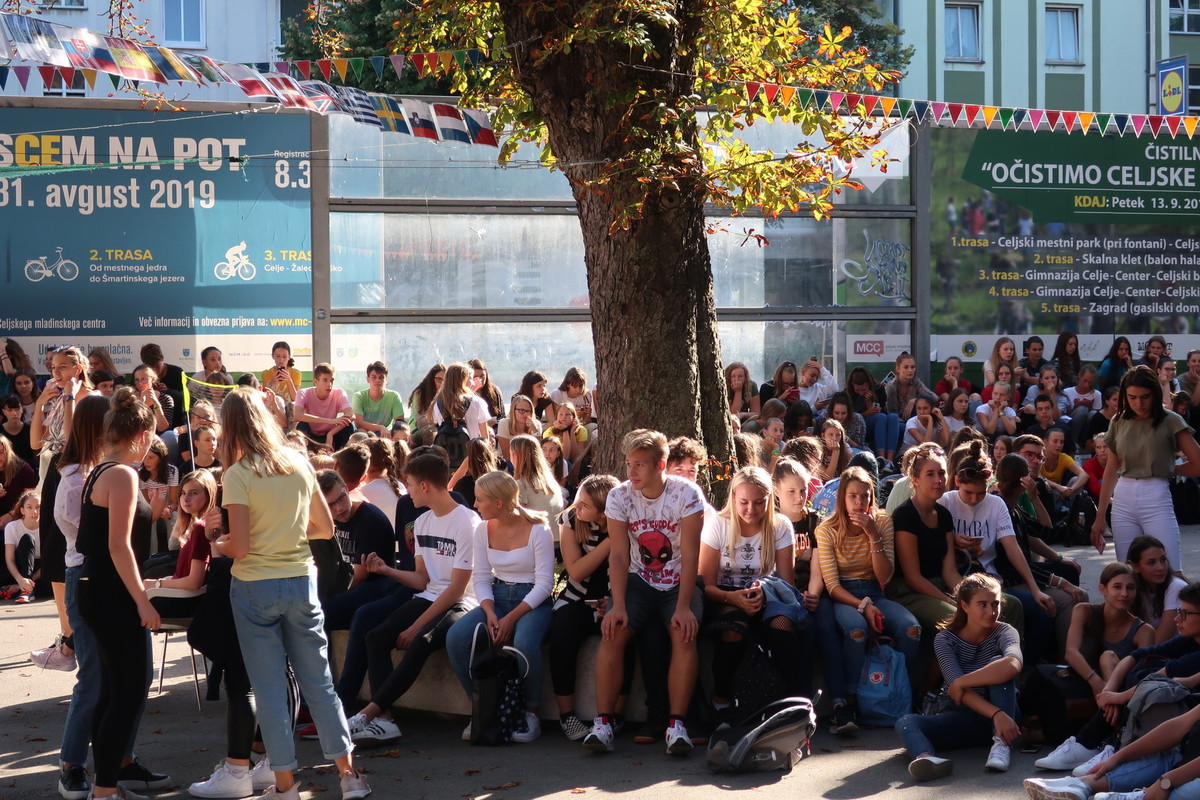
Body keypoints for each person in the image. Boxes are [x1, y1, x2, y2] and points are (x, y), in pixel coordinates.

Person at [215, 388, 369, 800]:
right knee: (319, 684)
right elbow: (324, 528)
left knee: (268, 690)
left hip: (254, 586)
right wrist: (284, 532)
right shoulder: (298, 464)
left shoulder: (238, 473)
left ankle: (285, 785)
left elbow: (241, 547)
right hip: (301, 580)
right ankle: (349, 776)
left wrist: (220, 543)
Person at [337, 450, 478, 745]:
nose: (407, 491)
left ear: (424, 486)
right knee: (376, 637)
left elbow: (456, 590)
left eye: (411, 484)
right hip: (429, 597)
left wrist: (416, 627)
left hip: (462, 604)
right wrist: (387, 570)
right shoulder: (424, 522)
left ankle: (368, 713)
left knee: (420, 641)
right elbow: (423, 580)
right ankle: (386, 721)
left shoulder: (467, 522)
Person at [582, 429, 706, 755]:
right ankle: (604, 723)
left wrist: (683, 607)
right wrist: (618, 604)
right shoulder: (619, 496)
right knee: (613, 629)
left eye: (639, 465)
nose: (631, 472)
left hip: (679, 579)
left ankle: (676, 725)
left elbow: (692, 555)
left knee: (684, 632)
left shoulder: (687, 494)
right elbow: (620, 555)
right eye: (628, 464)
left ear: (660, 465)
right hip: (638, 580)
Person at [75, 387, 167, 800]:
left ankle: (105, 782)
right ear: (141, 435)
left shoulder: (99, 470)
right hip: (111, 594)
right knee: (127, 692)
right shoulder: (122, 474)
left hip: (99, 589)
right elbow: (118, 545)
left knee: (114, 690)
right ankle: (106, 789)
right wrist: (142, 599)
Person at [1027, 582, 1200, 783]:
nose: (1178, 618)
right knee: (1140, 669)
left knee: (1151, 681)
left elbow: (1165, 674)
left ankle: (1098, 743)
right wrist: (1108, 691)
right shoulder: (1190, 638)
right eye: (1179, 611)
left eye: (1186, 614)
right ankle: (1096, 743)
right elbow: (1137, 655)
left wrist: (1118, 697)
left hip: (1189, 719)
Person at [446, 472, 555, 743]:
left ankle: (531, 713)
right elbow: (481, 577)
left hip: (532, 600)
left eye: (480, 499)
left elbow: (544, 584)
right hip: (496, 597)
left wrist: (510, 619)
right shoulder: (482, 529)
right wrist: (492, 613)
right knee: (457, 638)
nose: (475, 504)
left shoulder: (538, 528)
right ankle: (484, 707)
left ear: (498, 503)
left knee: (524, 643)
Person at [814, 465, 921, 734]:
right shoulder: (827, 529)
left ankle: (898, 691)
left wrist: (873, 535)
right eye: (853, 496)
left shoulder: (882, 522)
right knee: (856, 630)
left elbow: (884, 575)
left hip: (875, 590)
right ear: (843, 498)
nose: (859, 503)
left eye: (865, 496)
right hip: (845, 596)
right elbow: (833, 586)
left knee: (911, 629)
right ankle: (851, 700)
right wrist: (862, 606)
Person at [895, 573, 1022, 781]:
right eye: (982, 604)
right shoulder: (945, 639)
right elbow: (958, 695)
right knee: (906, 722)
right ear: (964, 606)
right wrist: (995, 713)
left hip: (1005, 716)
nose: (991, 611)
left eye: (996, 604)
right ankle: (926, 759)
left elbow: (1011, 666)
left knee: (997, 664)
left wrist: (962, 681)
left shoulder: (1005, 632)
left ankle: (1001, 745)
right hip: (967, 715)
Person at [699, 465, 804, 711]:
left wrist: (761, 594)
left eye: (759, 503)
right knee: (736, 625)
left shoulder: (780, 525)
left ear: (769, 500)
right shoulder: (718, 524)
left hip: (764, 593)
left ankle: (793, 702)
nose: (751, 510)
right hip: (723, 597)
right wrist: (732, 598)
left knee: (782, 624)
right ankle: (721, 699)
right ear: (733, 498)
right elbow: (706, 585)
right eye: (744, 502)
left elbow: (787, 584)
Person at [549, 474, 632, 741]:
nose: (577, 507)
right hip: (577, 597)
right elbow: (576, 570)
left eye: (584, 504)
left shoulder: (628, 523)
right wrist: (611, 541)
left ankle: (616, 715)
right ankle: (567, 717)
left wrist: (614, 600)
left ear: (604, 510)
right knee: (562, 631)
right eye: (578, 501)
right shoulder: (571, 520)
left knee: (623, 632)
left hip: (614, 598)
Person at [1091, 366, 1200, 569]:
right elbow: (1111, 469)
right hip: (1122, 498)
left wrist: (1169, 468)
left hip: (1156, 495)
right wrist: (1100, 517)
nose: (1138, 403)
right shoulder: (1118, 420)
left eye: (1145, 397)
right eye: (1131, 397)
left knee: (1170, 569)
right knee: (1127, 571)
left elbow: (1198, 464)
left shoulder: (1171, 420)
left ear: (1155, 393)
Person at [886, 444, 961, 635]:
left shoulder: (944, 514)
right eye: (930, 474)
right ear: (915, 479)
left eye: (942, 473)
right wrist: (952, 602)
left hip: (939, 585)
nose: (938, 480)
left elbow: (950, 570)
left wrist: (967, 597)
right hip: (908, 592)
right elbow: (913, 577)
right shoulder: (905, 515)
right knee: (958, 617)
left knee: (1008, 605)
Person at [1062, 563, 1153, 711]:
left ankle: (1112, 713)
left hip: (1123, 694)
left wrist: (1109, 694)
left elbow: (1141, 676)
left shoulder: (1144, 631)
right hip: (1086, 681)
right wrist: (1096, 682)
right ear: (1103, 589)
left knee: (1108, 657)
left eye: (1130, 588)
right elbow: (1071, 652)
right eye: (1117, 587)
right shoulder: (1084, 611)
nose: (1124, 594)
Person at [144, 469, 218, 619]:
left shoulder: (201, 529)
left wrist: (157, 584)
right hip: (178, 596)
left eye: (193, 493)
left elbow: (194, 582)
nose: (186, 498)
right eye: (183, 493)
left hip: (184, 601)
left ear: (208, 495)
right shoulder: (193, 527)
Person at [1128, 535, 1189, 645]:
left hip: (1175, 653)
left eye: (1163, 560)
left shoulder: (1176, 587)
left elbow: (1161, 640)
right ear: (1136, 567)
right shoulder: (1131, 587)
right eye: (1151, 562)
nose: (1160, 567)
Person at [294, 363, 356, 451]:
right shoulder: (303, 393)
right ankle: (305, 455)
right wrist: (330, 421)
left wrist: (330, 434)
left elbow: (351, 415)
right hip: (311, 435)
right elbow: (297, 416)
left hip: (332, 435)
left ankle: (340, 455)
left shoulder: (339, 393)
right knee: (301, 426)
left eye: (332, 380)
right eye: (325, 380)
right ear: (316, 381)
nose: (329, 384)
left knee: (349, 426)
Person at [509, 434, 564, 523]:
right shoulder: (550, 481)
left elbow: (517, 522)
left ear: (515, 456)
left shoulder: (520, 485)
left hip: (539, 535)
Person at [138, 437, 179, 555]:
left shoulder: (172, 471)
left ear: (160, 459)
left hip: (167, 509)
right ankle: (152, 556)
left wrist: (168, 509)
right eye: (145, 457)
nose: (146, 462)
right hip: (151, 509)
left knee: (174, 516)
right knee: (149, 520)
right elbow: (146, 503)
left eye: (151, 458)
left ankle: (174, 552)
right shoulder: (141, 474)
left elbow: (173, 501)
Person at [2, 489, 40, 602]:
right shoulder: (12, 527)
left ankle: (23, 589)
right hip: (20, 568)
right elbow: (9, 560)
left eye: (38, 507)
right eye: (29, 507)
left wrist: (24, 583)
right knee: (27, 539)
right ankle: (26, 590)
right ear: (22, 510)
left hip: (40, 571)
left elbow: (51, 560)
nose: (34, 511)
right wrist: (20, 579)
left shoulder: (49, 527)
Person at [351, 362, 406, 436]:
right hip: (366, 431)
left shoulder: (394, 396)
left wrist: (388, 431)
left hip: (386, 432)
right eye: (374, 377)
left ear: (386, 379)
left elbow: (399, 422)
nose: (377, 380)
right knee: (361, 433)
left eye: (381, 377)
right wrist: (380, 427)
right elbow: (358, 423)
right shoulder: (359, 396)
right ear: (368, 379)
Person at [885, 352, 932, 422]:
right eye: (906, 367)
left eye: (912, 367)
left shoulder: (916, 382)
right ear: (898, 369)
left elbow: (932, 397)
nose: (910, 370)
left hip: (913, 421)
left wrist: (914, 401)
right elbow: (890, 412)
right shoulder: (891, 386)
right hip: (895, 422)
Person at [497, 394, 542, 462]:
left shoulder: (536, 424)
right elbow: (507, 456)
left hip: (529, 462)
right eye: (521, 410)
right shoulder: (504, 423)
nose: (525, 414)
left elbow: (537, 454)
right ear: (513, 410)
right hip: (508, 463)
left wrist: (535, 431)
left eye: (528, 411)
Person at [407, 363, 446, 430]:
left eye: (444, 380)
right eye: (439, 379)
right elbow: (418, 420)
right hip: (417, 429)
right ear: (431, 379)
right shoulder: (420, 394)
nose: (441, 383)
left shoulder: (446, 395)